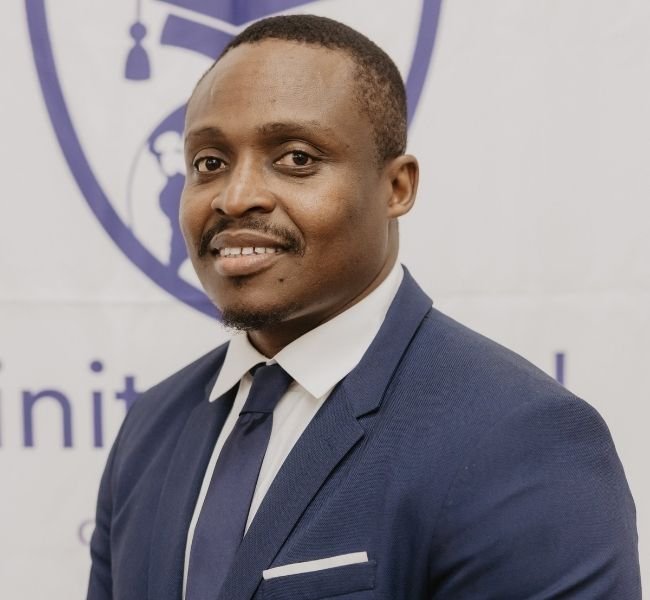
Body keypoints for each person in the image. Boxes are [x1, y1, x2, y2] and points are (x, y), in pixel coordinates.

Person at [87, 15, 640, 600]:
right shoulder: (152, 425)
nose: (236, 196)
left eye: (296, 158)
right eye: (209, 163)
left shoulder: (520, 437)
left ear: (396, 187)